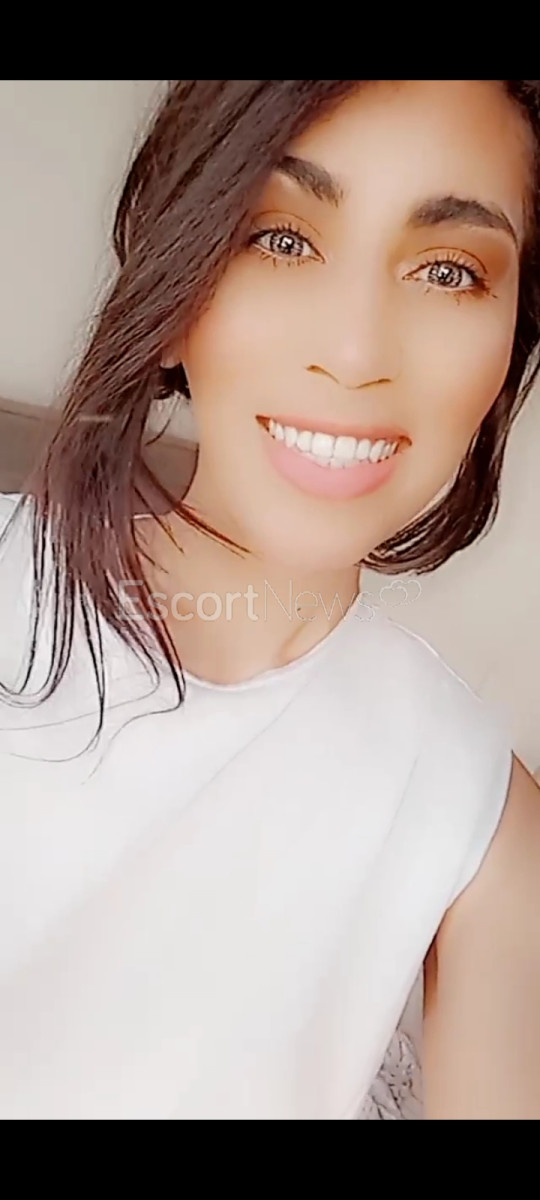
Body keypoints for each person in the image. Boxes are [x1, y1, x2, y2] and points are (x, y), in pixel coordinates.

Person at [0, 79, 539, 1122]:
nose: (355, 354)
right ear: (174, 294)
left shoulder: (481, 825)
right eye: (281, 240)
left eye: (448, 271)